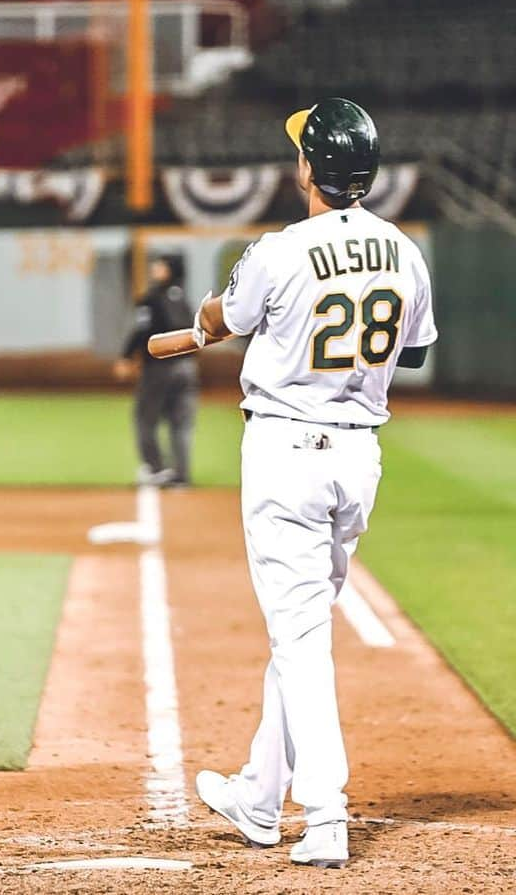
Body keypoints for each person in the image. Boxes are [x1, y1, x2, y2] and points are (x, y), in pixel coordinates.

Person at [182, 98, 437, 867]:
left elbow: (225, 317)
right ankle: (260, 795)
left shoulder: (281, 249)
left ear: (308, 168)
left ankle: (325, 812)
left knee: (297, 635)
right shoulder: (404, 249)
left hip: (287, 452)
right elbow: (415, 354)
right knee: (300, 630)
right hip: (358, 458)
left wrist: (205, 315)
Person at [114, 255, 198, 487]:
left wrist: (126, 356)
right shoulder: (183, 299)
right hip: (188, 367)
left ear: (170, 270)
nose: (155, 267)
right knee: (181, 423)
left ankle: (156, 469)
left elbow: (143, 330)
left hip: (160, 367)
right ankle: (181, 475)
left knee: (144, 418)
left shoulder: (152, 299)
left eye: (160, 265)